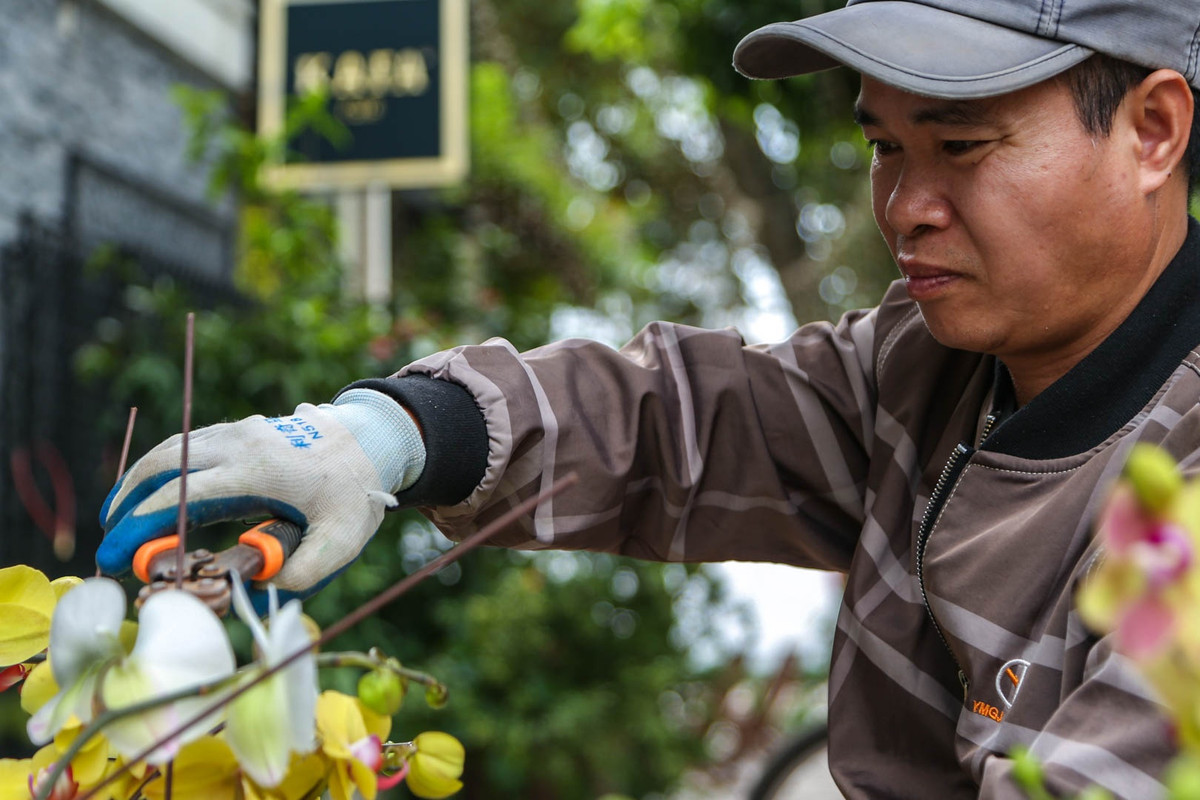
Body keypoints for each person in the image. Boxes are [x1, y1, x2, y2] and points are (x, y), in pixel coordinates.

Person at [97, 0, 1200, 796]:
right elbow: (676, 419)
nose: (905, 205)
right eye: (882, 145)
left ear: (1153, 131)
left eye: (962, 145)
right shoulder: (924, 377)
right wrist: (382, 434)